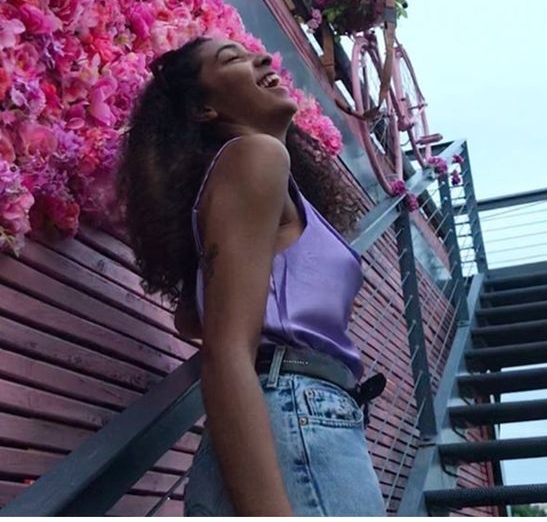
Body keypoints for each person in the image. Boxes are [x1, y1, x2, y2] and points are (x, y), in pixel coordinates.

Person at [116, 37, 386, 516]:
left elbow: (194, 322)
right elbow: (225, 350)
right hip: (297, 422)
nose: (261, 57)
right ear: (203, 108)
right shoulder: (256, 156)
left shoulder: (253, 177)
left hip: (296, 422)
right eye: (232, 59)